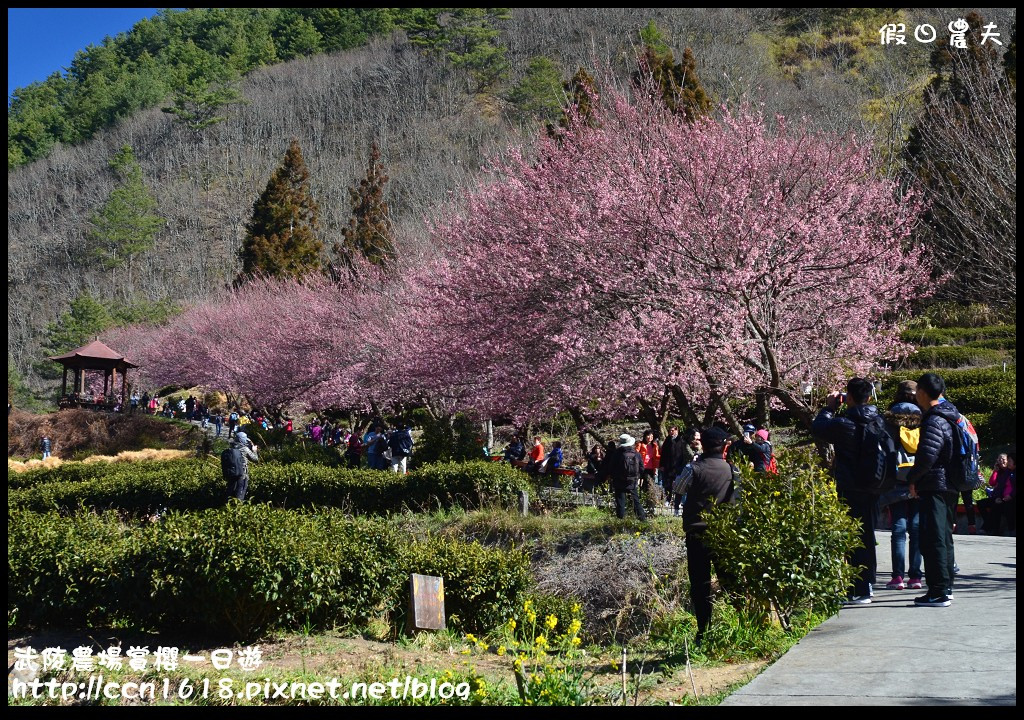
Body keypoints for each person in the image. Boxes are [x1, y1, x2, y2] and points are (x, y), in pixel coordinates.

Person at [812, 377, 882, 604]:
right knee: (868, 535)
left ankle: (857, 589)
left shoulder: (844, 423)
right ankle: (868, 583)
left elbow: (818, 428)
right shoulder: (878, 422)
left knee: (852, 537)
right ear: (869, 397)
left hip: (850, 486)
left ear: (849, 397)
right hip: (873, 485)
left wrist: (830, 407)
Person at [907, 372, 961, 607]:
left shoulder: (934, 419)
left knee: (934, 538)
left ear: (922, 392)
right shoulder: (952, 415)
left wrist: (913, 478)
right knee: (943, 537)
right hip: (950, 483)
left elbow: (928, 455)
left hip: (936, 484)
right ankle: (945, 588)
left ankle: (938, 591)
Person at [682, 426, 737, 646]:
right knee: (729, 579)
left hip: (696, 531)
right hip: (724, 532)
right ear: (724, 445)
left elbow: (677, 488)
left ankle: (703, 631)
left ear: (701, 444)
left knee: (699, 583)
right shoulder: (732, 470)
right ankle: (741, 622)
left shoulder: (693, 468)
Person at [878, 380, 923, 591]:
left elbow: (883, 447)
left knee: (898, 527)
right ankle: (915, 576)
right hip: (918, 477)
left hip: (896, 478)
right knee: (916, 527)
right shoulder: (924, 416)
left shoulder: (888, 418)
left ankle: (897, 577)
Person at [609, 434, 646, 521]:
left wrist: (614, 476)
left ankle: (620, 521)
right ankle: (642, 519)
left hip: (619, 481)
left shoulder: (617, 454)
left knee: (621, 502)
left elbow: (611, 468)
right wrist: (639, 478)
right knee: (636, 501)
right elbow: (641, 468)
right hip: (632, 481)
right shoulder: (636, 454)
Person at [672, 429, 702, 516]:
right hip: (684, 470)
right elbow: (692, 455)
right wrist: (699, 449)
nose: (698, 438)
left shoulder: (700, 444)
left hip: (695, 469)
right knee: (680, 490)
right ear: (692, 436)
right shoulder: (685, 444)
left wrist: (699, 448)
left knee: (692, 491)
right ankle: (676, 510)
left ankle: (688, 510)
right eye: (697, 436)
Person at [223, 431, 258, 502]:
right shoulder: (244, 449)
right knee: (240, 496)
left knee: (230, 495)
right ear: (242, 439)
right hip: (242, 475)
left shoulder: (231, 448)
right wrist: (254, 450)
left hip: (231, 474)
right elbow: (255, 459)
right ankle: (238, 510)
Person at [660, 426, 686, 499]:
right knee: (667, 483)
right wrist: (661, 465)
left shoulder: (681, 441)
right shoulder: (667, 440)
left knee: (678, 484)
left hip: (677, 465)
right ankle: (667, 499)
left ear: (677, 431)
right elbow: (663, 454)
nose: (671, 432)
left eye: (672, 430)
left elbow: (683, 454)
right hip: (668, 466)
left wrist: (682, 465)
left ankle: (677, 500)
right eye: (670, 431)